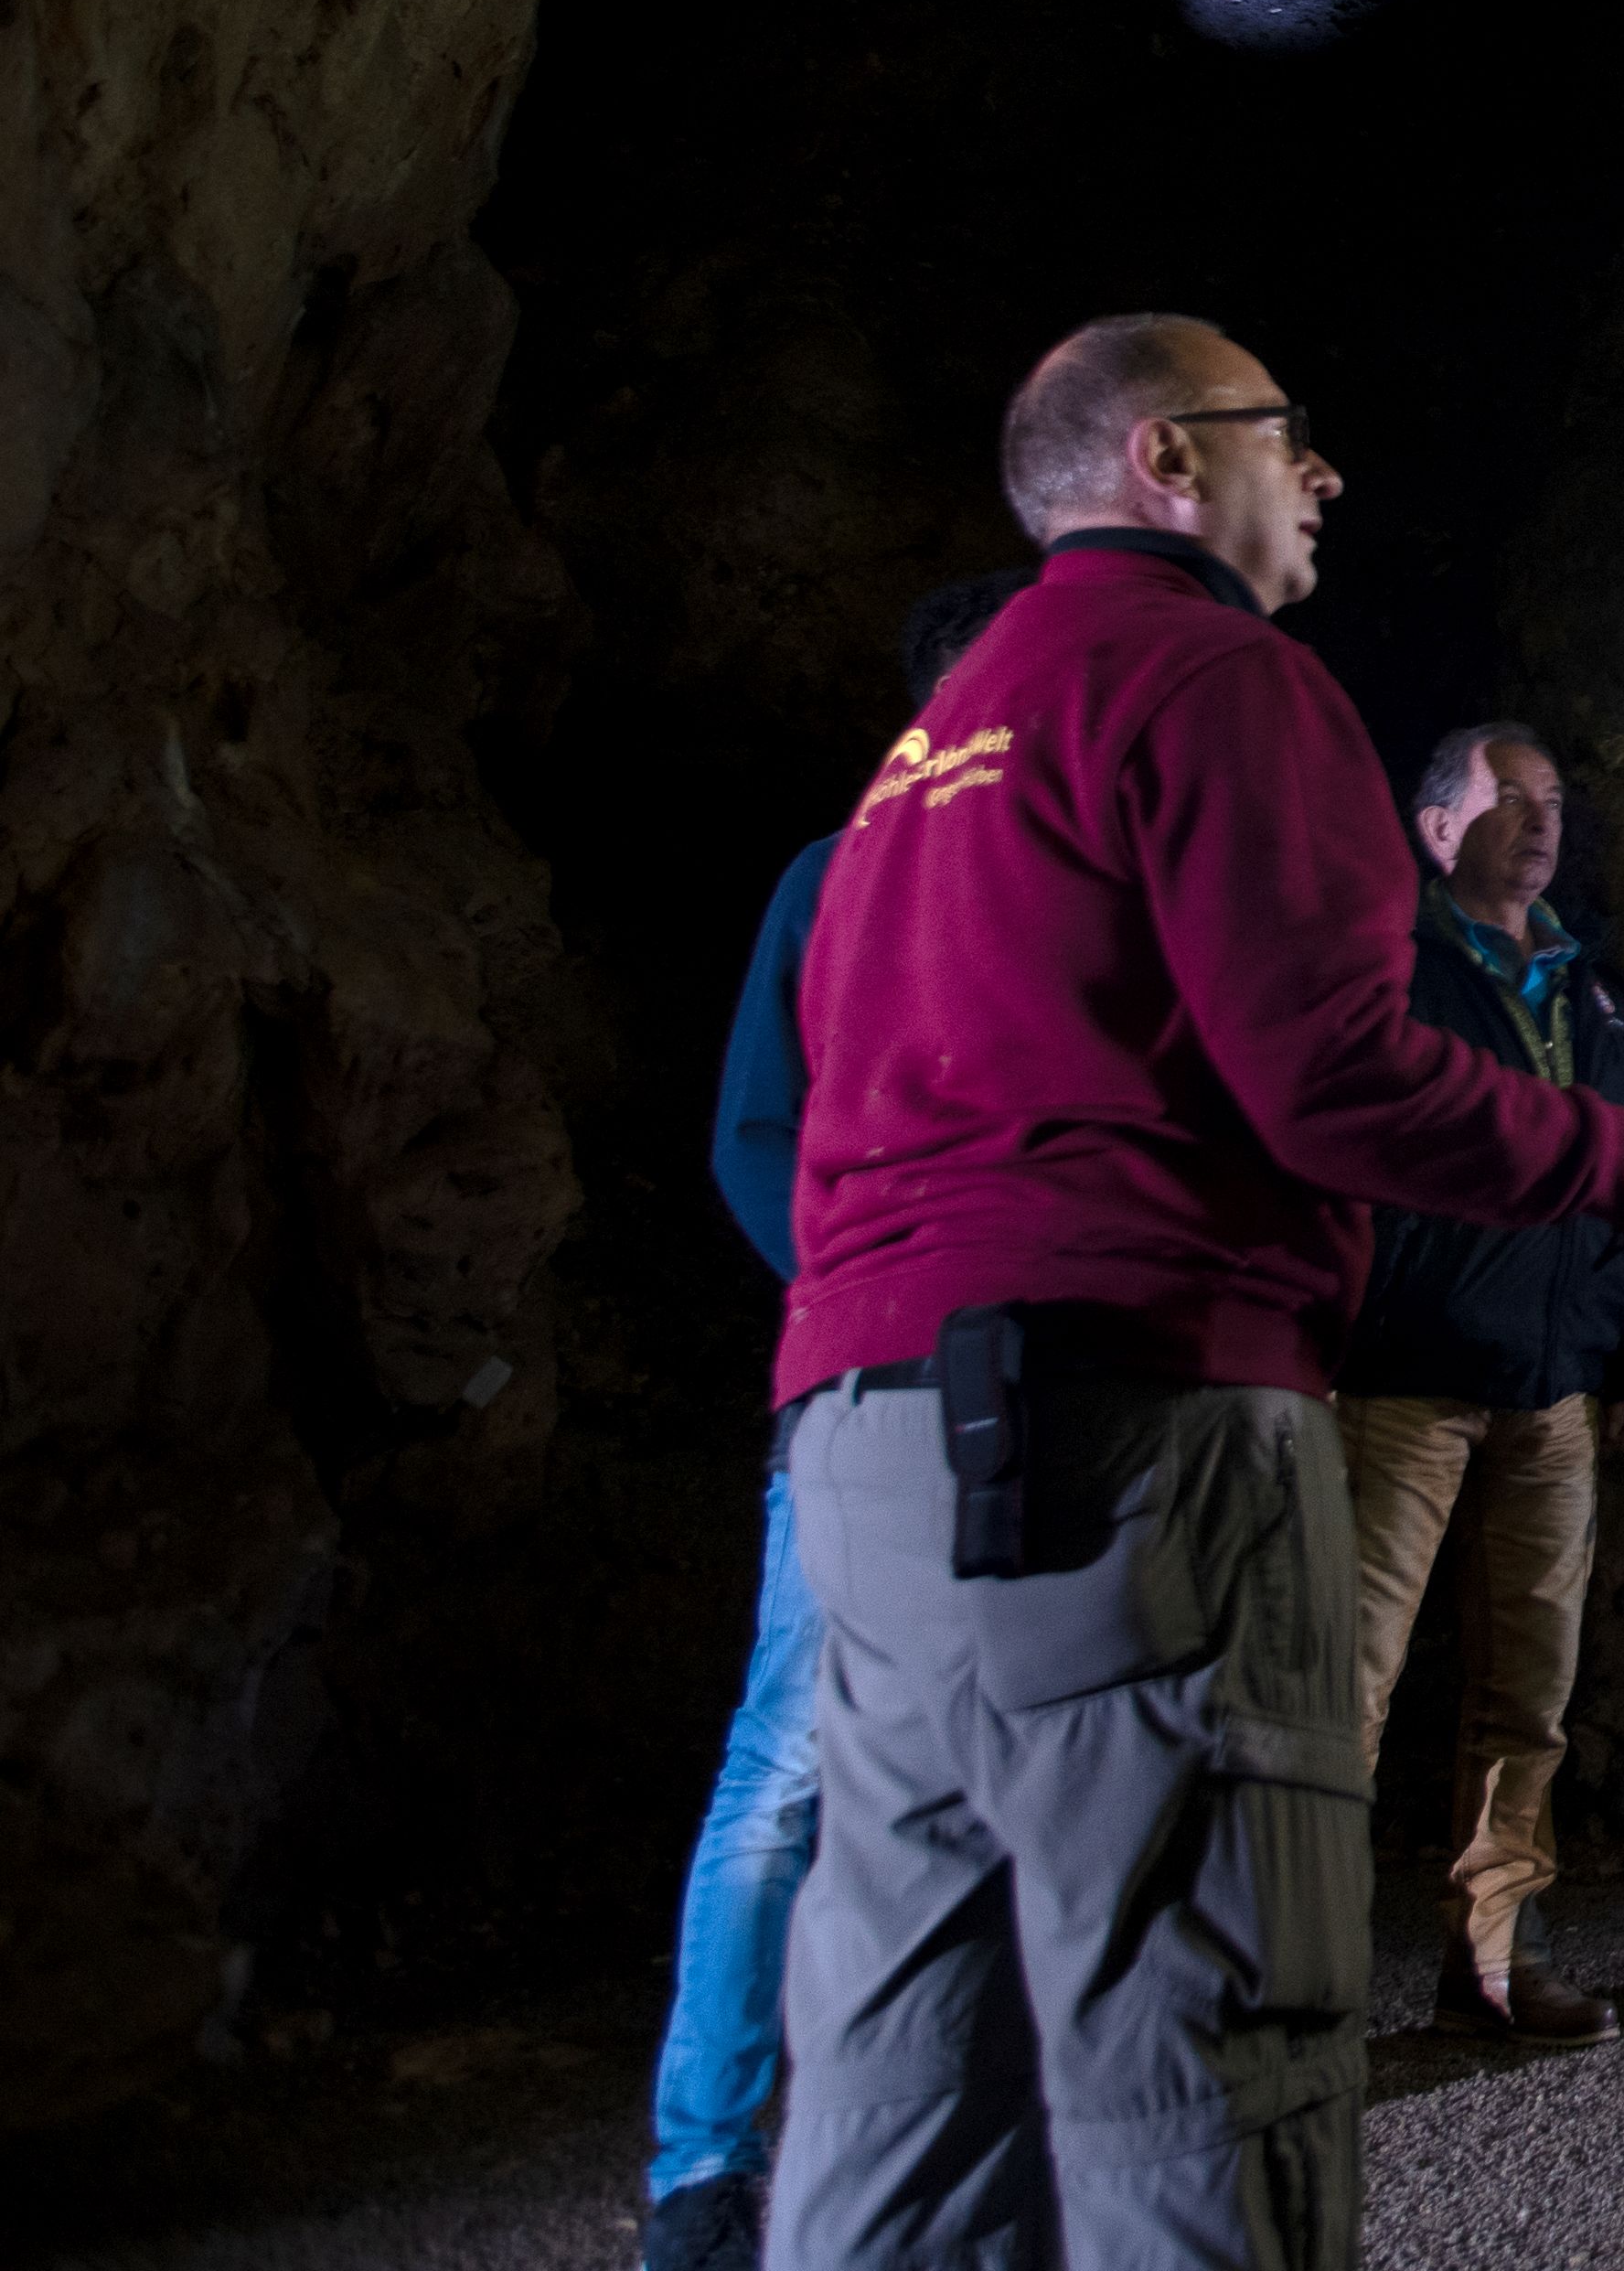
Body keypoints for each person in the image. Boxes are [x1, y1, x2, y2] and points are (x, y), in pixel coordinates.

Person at [765, 314, 1624, 2271]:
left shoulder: (932, 751)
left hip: (876, 1449)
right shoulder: (1219, 676)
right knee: (1204, 2064)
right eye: (1283, 434)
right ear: (1166, 459)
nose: (1322, 474)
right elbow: (1325, 1072)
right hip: (1130, 1432)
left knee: (905, 2086)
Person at [633, 571, 1025, 2271]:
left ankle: (953, 2143)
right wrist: (874, 1298)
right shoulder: (839, 875)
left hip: (1036, 1379)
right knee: (790, 1766)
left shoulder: (1058, 883)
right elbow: (753, 1130)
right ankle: (703, 2169)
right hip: (874, 1379)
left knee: (1015, 1765)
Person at [1339, 720, 1624, 2045]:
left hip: (1550, 1388)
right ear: (1437, 829)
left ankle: (1496, 1955)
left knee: (1530, 1692)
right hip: (1406, 1379)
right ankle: (1297, 1972)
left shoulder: (1597, 993)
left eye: (1552, 802)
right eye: (1508, 801)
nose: (1540, 823)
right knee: (1347, 1683)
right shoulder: (1393, 971)